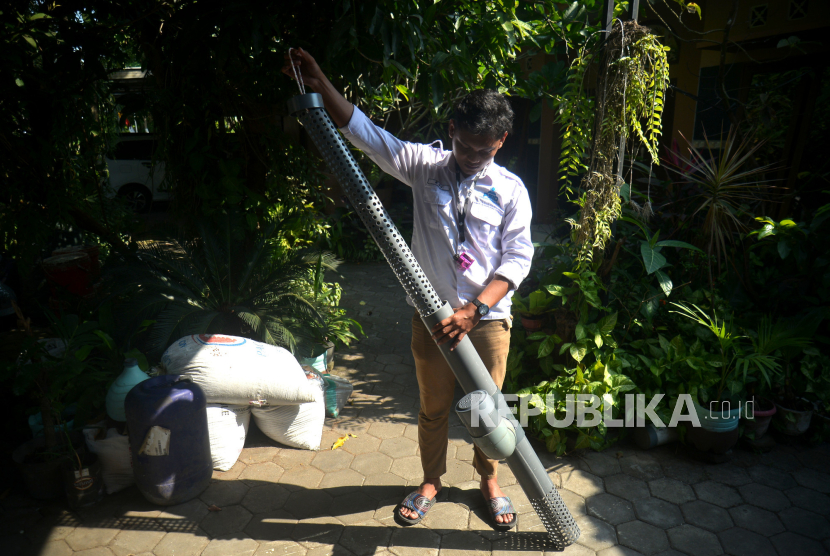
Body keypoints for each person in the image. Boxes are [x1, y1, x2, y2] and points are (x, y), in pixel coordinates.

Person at [283, 48, 533, 530]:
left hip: (486, 322)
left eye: (485, 149)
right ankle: (431, 482)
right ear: (453, 131)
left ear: (501, 141)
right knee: (433, 408)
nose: (473, 158)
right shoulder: (425, 166)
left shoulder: (511, 190)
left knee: (489, 414)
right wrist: (318, 82)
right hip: (432, 319)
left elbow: (518, 258)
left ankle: (490, 482)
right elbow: (365, 133)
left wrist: (475, 310)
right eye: (466, 146)